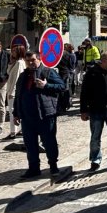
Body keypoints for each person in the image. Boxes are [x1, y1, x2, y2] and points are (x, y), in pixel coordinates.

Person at [12, 51, 66, 179]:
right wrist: (16, 113)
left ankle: (53, 166)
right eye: (28, 61)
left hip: (45, 115)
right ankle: (34, 168)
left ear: (39, 60)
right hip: (27, 116)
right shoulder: (23, 75)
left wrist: (46, 85)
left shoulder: (48, 72)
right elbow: (18, 95)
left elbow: (62, 86)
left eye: (33, 60)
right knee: (30, 144)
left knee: (49, 142)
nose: (30, 63)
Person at [5, 45, 27, 139]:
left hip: (14, 91)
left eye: (14, 51)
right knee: (13, 111)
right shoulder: (16, 62)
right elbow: (9, 73)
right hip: (11, 89)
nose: (12, 52)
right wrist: (10, 63)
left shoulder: (19, 63)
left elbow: (17, 78)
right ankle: (18, 130)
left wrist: (13, 92)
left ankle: (13, 132)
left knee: (13, 112)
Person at [56, 43, 78, 115]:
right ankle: (65, 105)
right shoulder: (68, 55)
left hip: (61, 73)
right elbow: (71, 65)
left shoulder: (58, 54)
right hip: (65, 73)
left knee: (63, 90)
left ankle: (62, 106)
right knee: (65, 90)